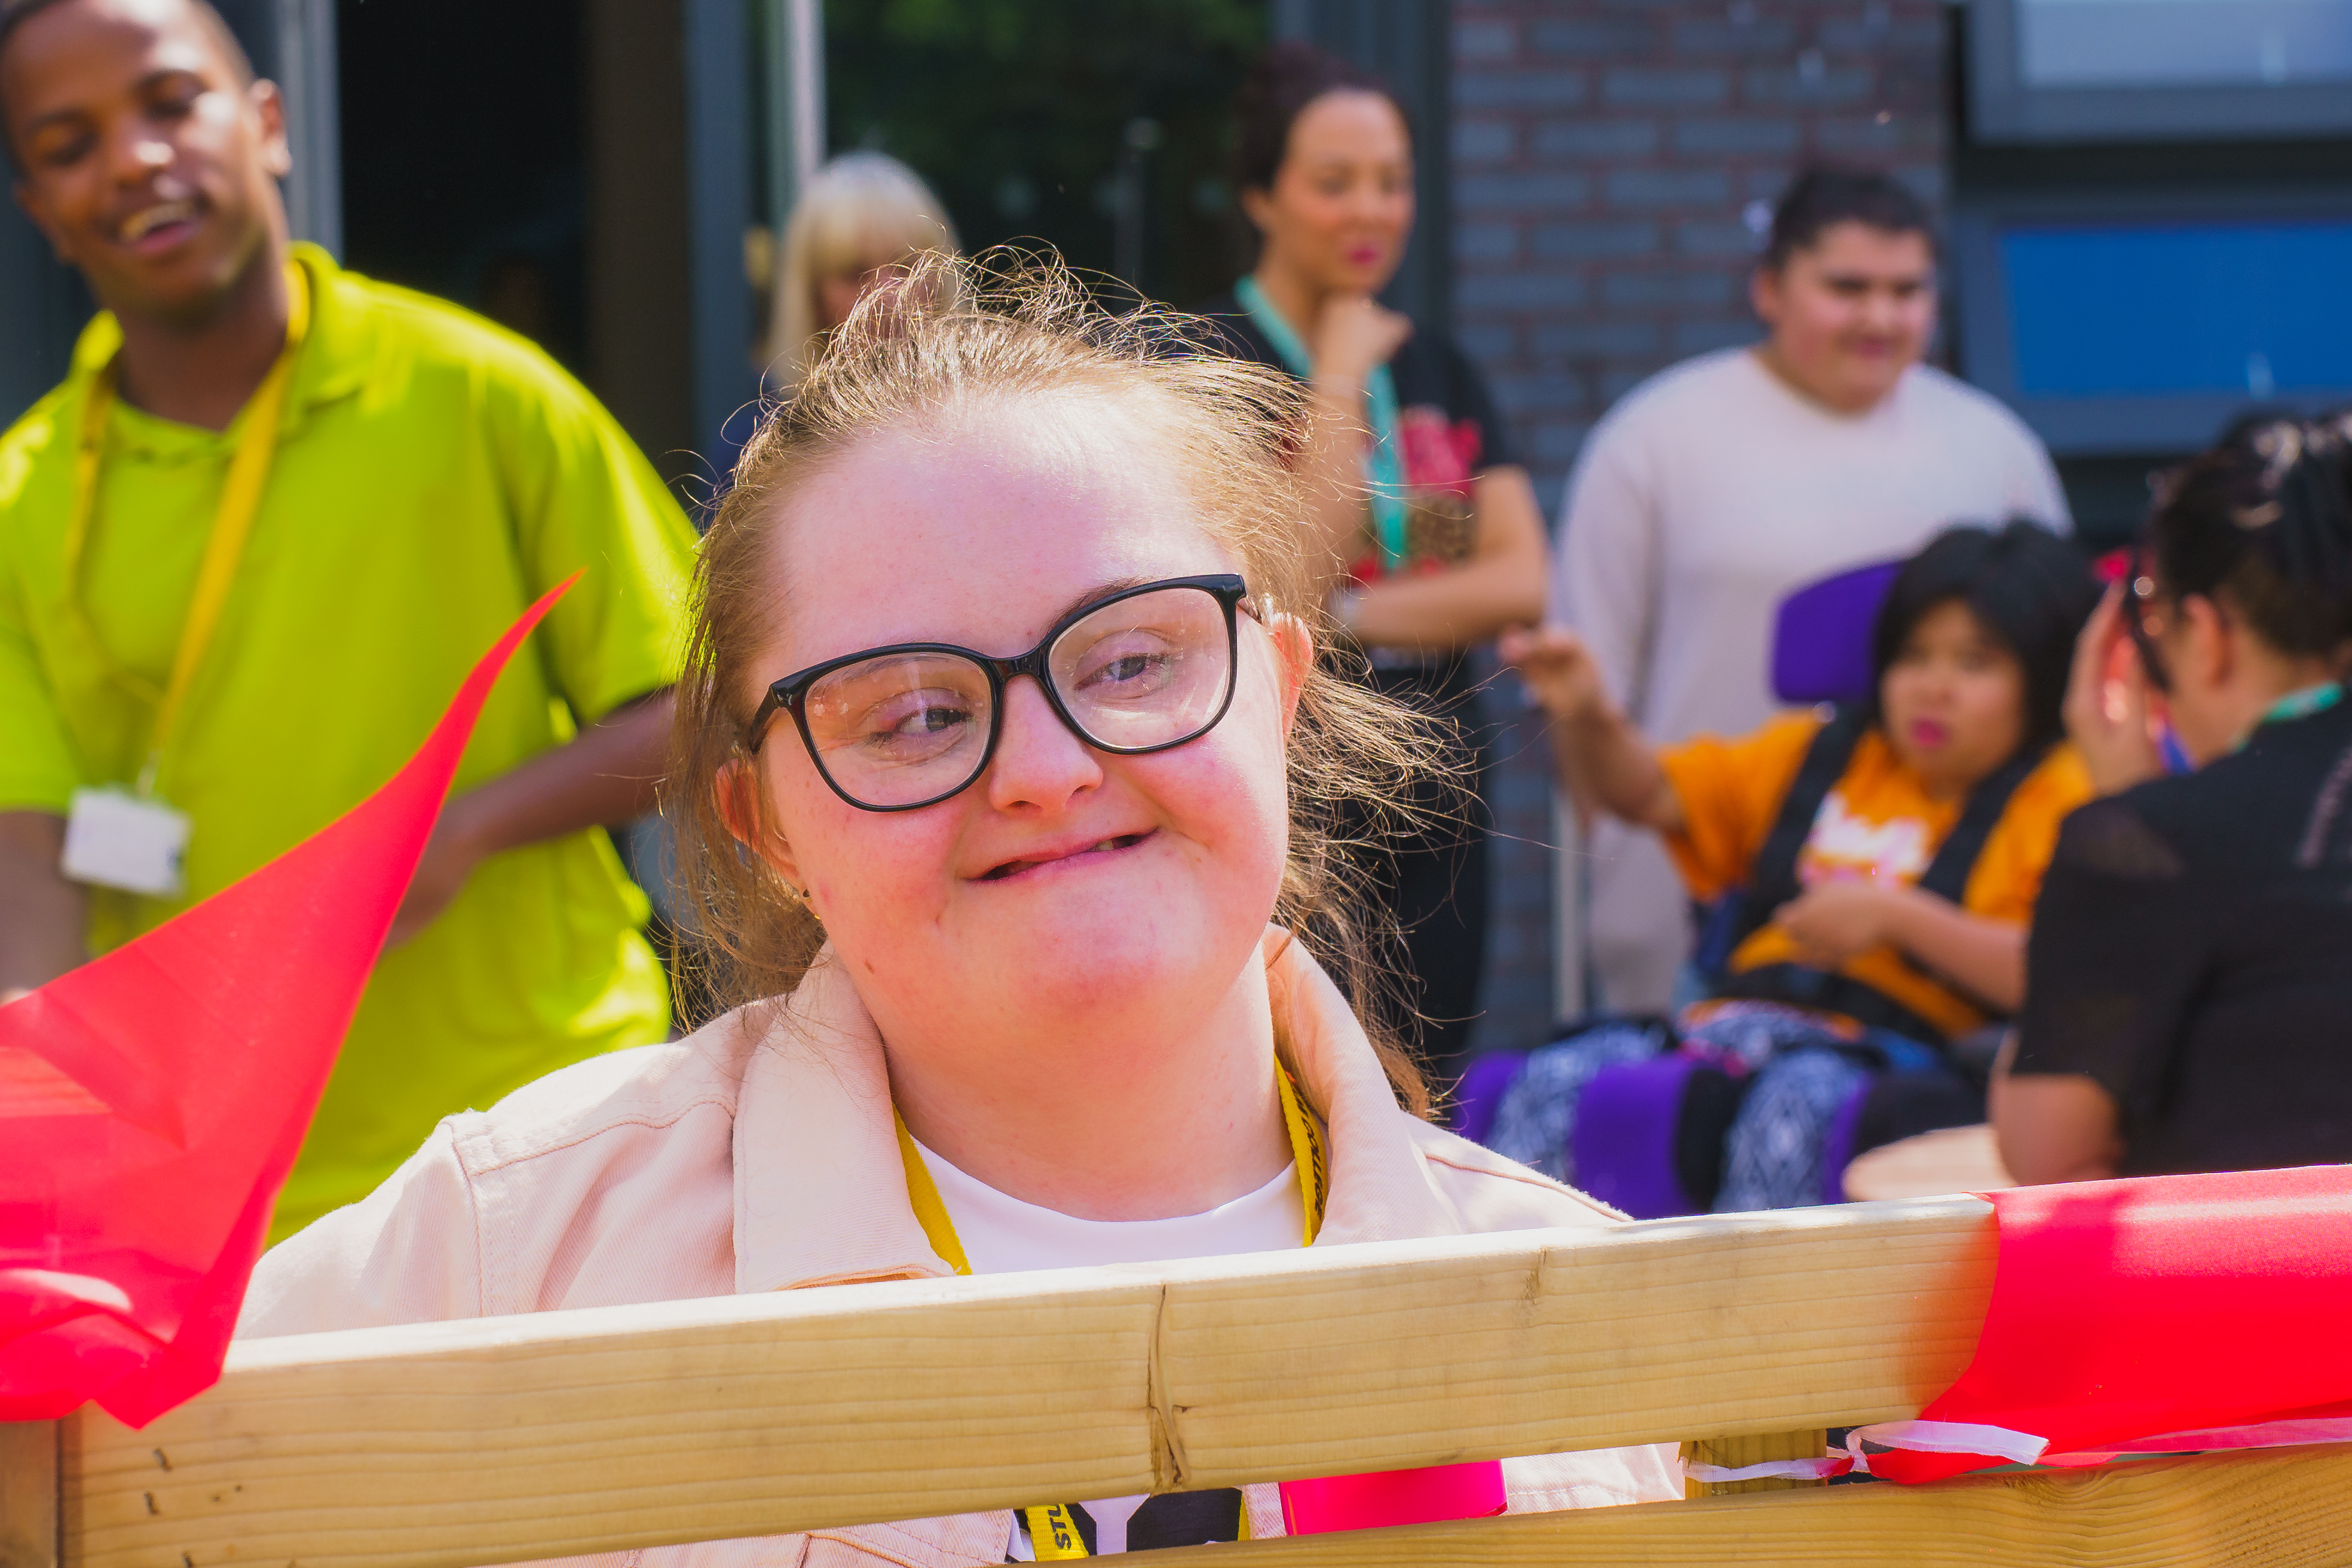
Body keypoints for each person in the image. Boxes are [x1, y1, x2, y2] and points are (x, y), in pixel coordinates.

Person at [238, 255, 1682, 1560]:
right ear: (766, 825)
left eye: (1131, 660)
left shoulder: (1612, 1343)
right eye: (914, 712)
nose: (1046, 770)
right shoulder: (503, 1257)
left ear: (1280, 695)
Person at [0, 0, 695, 1236]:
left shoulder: (481, 394)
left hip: (553, 1140)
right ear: (41, 213)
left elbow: (703, 700)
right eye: (68, 144)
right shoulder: (19, 496)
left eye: (170, 102)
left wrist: (466, 829)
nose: (135, 157)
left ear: (265, 124)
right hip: (213, 1202)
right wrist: (35, 1127)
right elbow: (31, 849)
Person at [1552, 166, 2071, 1014]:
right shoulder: (1654, 438)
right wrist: (1620, 870)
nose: (1879, 317)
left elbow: (2055, 676)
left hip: (1956, 921)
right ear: (1769, 287)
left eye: (1907, 291)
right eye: (1846, 288)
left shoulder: (1995, 448)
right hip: (1691, 859)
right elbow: (1588, 688)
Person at [1499, 523, 2097, 1211]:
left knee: (1793, 1103)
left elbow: (2063, 971)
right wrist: (1589, 713)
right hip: (1731, 1022)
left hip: (1897, 1051)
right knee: (1549, 1076)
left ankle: (1759, 1318)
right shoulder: (1821, 751)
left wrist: (1895, 918)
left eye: (1974, 662)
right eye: (1914, 655)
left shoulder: (2064, 792)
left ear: (2040, 677)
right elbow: (1647, 792)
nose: (1934, 687)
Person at [1199, 41, 1551, 1086]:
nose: (1372, 211)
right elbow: (1287, 584)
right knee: (1292, 1079)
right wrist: (1341, 381)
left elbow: (1518, 580)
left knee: (1429, 1079)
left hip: (1439, 766)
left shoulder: (1439, 365)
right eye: (1334, 182)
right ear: (1262, 195)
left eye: (1393, 182)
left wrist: (1347, 621)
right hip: (1292, 775)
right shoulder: (1209, 363)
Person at [1999, 415, 2352, 1183]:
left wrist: (2132, 816)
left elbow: (2049, 1161)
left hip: (2285, 1297)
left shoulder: (2147, 845)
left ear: (2205, 630)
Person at [764, 150, 957, 392]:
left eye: (908, 267)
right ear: (810, 294)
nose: (887, 296)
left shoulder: (990, 423)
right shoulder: (764, 430)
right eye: (855, 274)